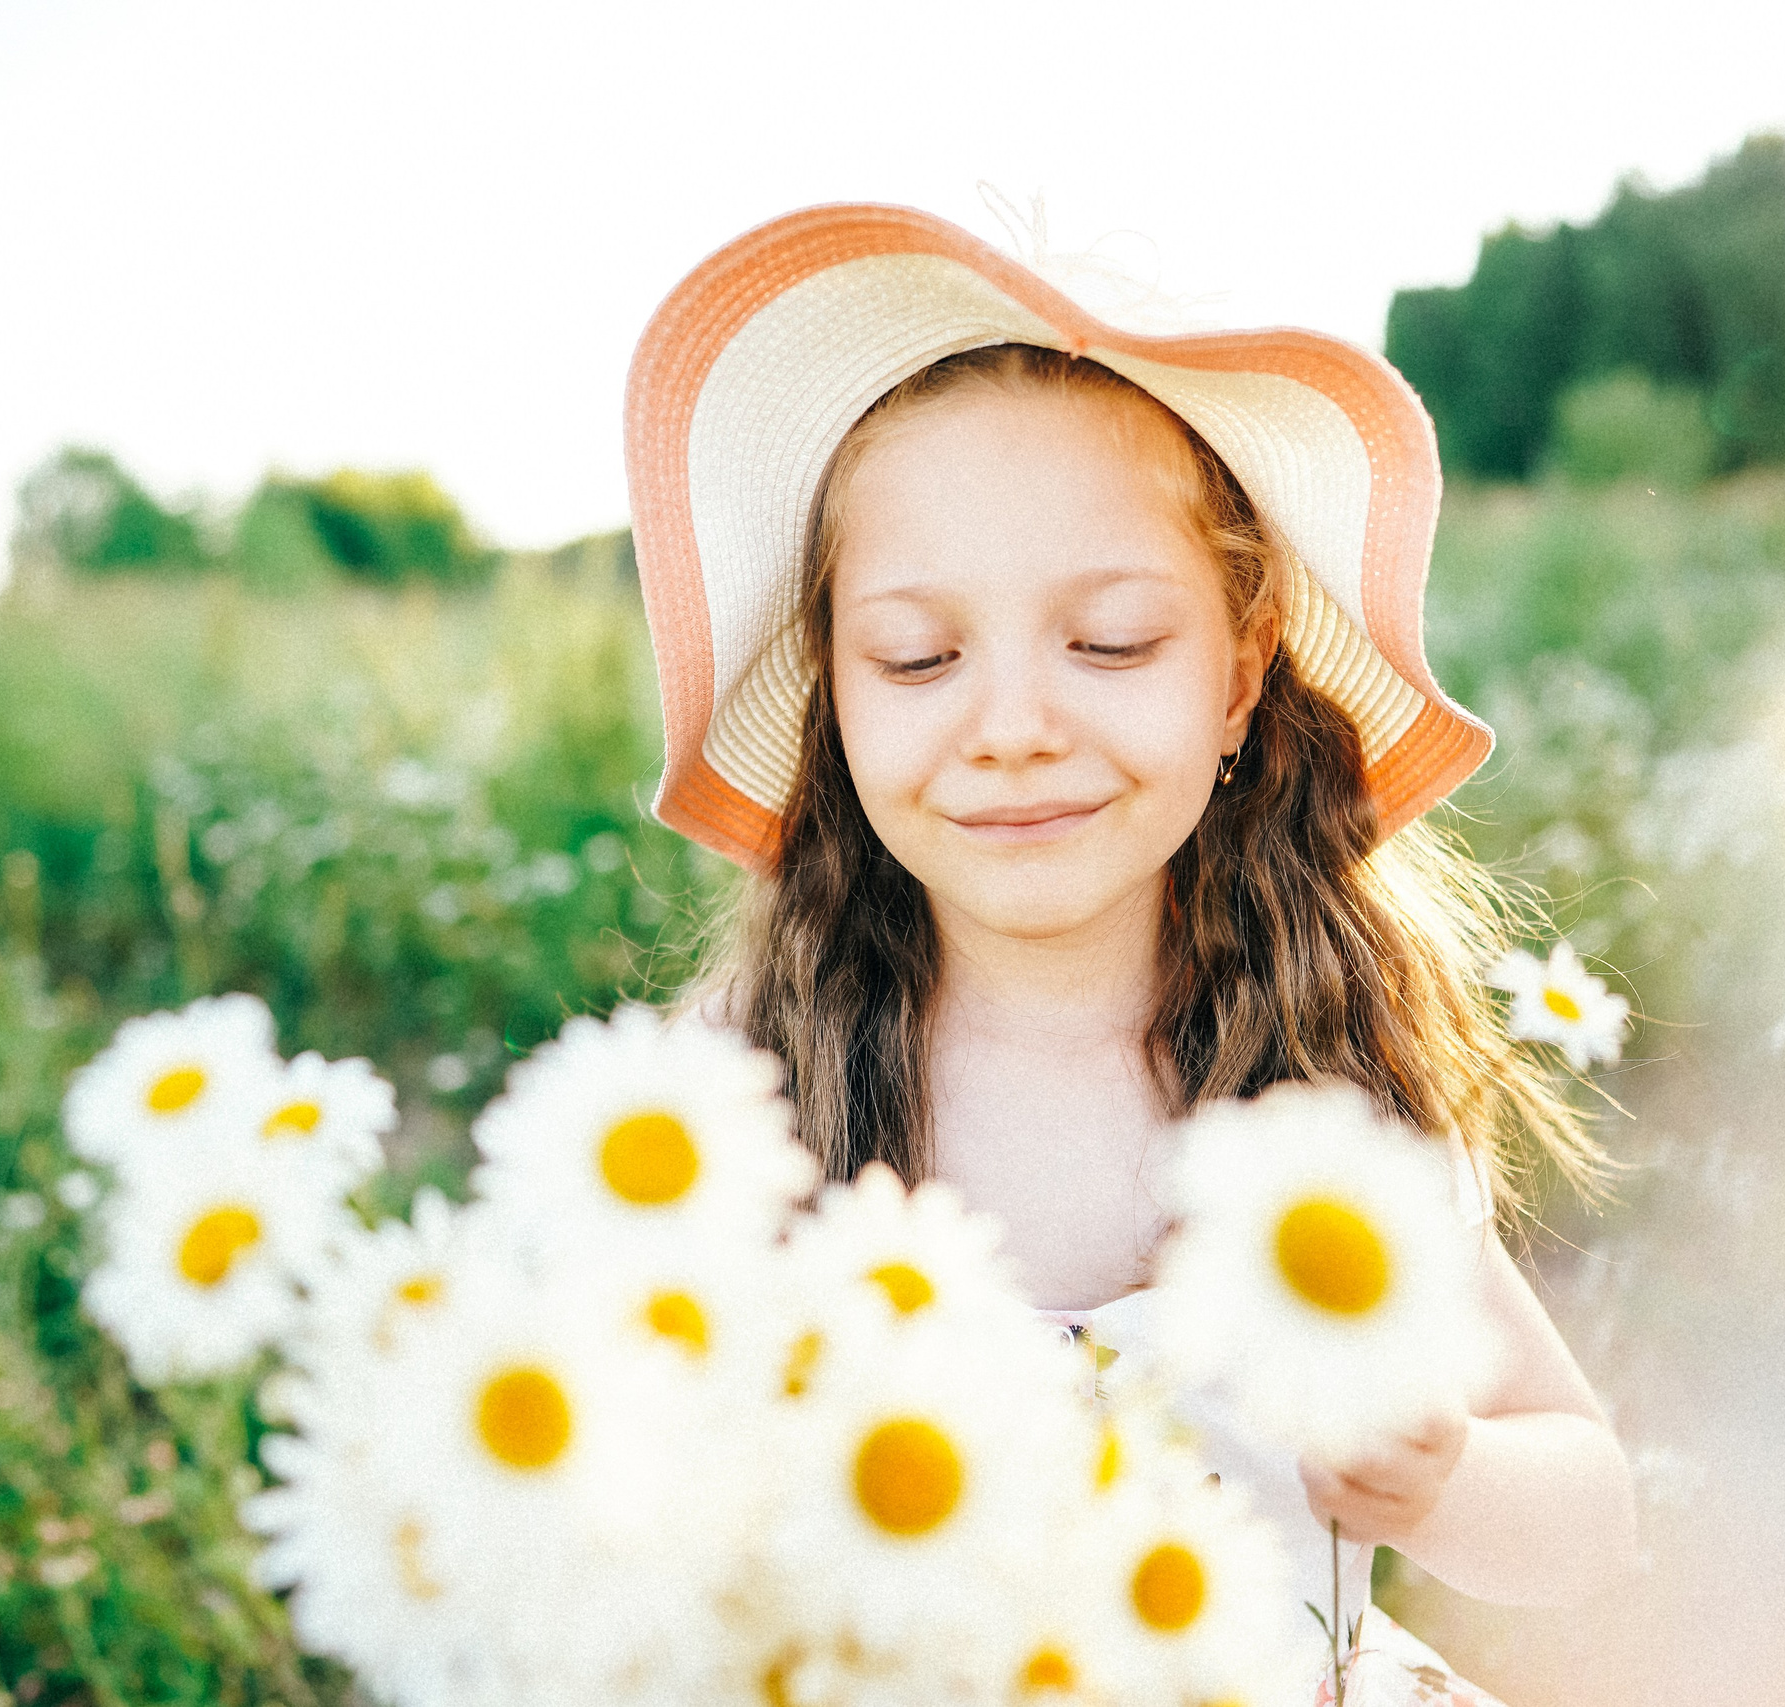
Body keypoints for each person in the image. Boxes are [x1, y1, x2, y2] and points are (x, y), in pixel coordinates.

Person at [625, 204, 1636, 1704]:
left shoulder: (1328, 1086)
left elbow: (1591, 1514)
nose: (1016, 722)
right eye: (917, 657)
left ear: (1239, 677)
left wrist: (1446, 1481)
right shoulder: (742, 1087)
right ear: (834, 689)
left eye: (1108, 642)